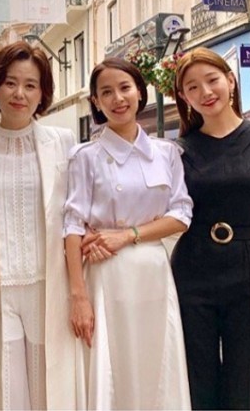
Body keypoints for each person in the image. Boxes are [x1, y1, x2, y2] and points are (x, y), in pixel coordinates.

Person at [64, 57, 193, 410]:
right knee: (113, 366)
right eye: (106, 92)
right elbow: (72, 224)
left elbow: (181, 214)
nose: (118, 98)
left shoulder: (166, 153)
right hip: (105, 274)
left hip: (153, 271)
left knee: (156, 361)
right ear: (96, 102)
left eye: (124, 88)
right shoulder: (84, 157)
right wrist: (78, 297)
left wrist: (127, 235)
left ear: (140, 91)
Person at [0, 40, 78, 410]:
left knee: (48, 387)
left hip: (48, 284)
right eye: (10, 83)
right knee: (2, 390)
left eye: (30, 85)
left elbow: (78, 210)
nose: (19, 94)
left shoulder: (64, 143)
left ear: (42, 93)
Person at [170, 47, 250, 410]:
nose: (205, 92)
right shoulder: (178, 151)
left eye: (212, 80)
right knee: (198, 375)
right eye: (193, 87)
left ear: (230, 81)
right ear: (184, 97)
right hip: (193, 268)